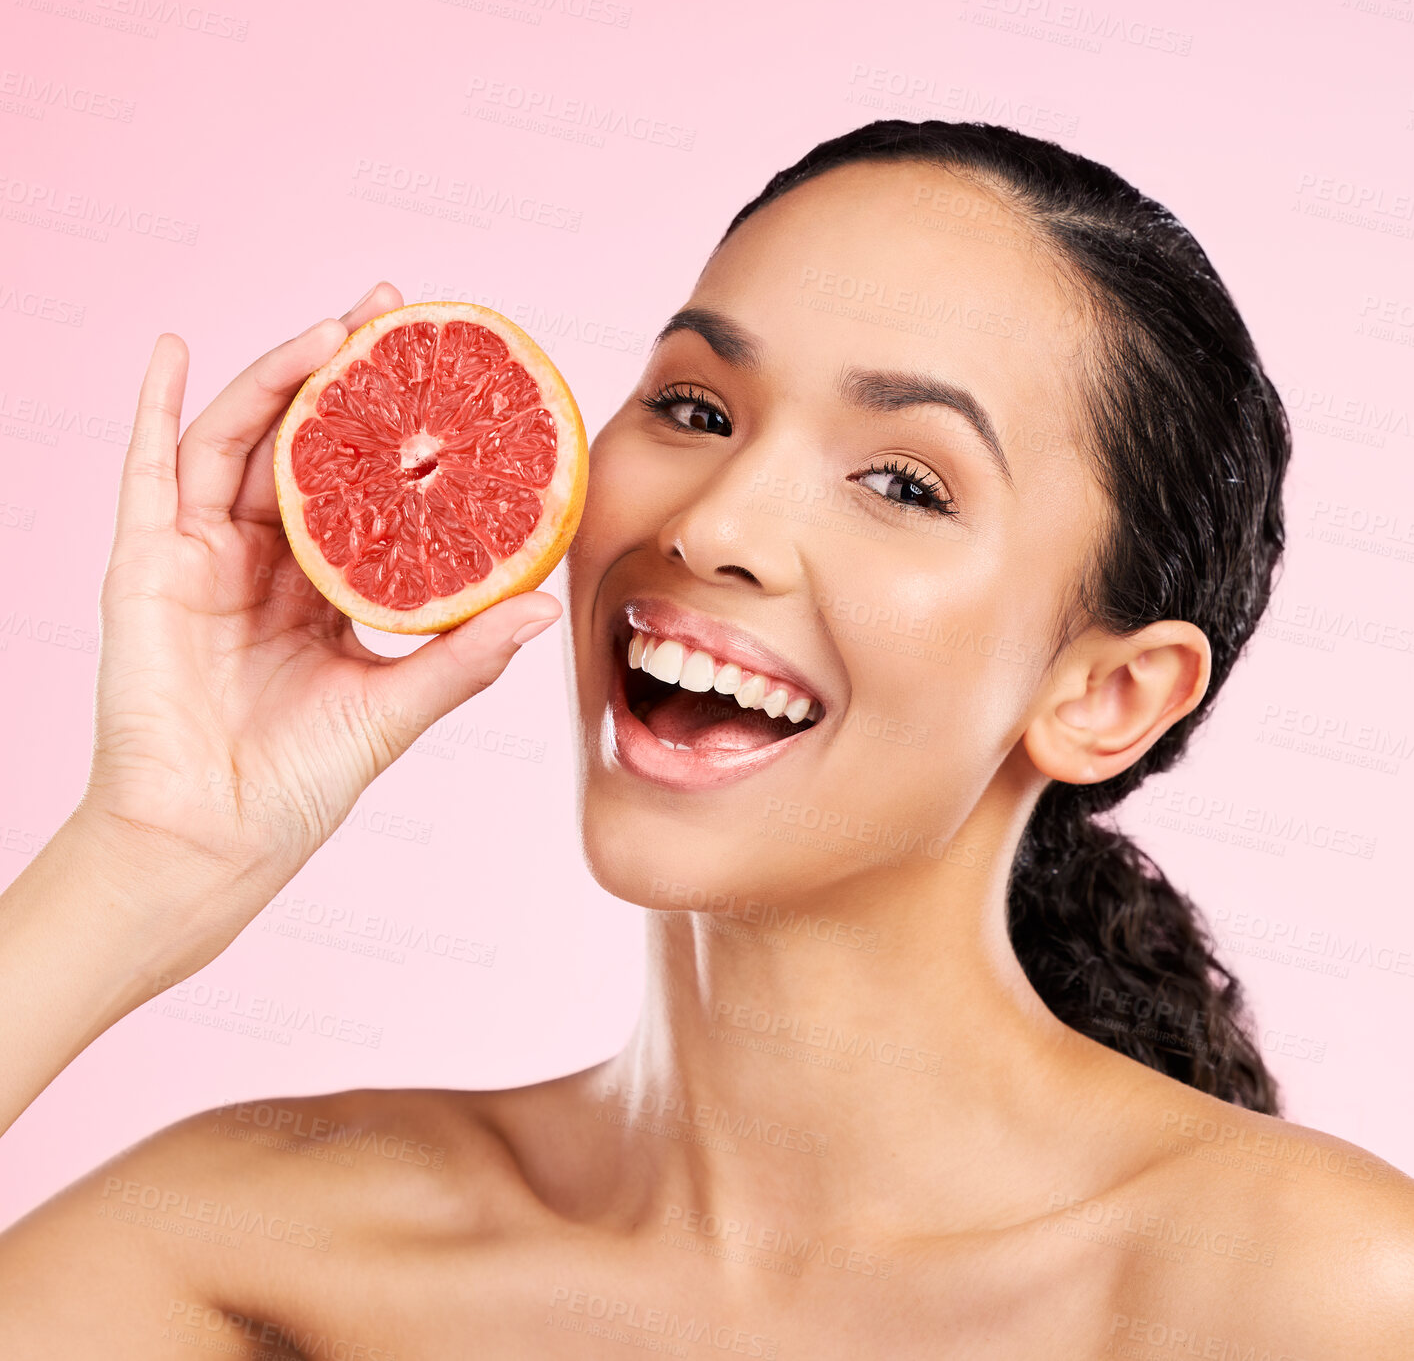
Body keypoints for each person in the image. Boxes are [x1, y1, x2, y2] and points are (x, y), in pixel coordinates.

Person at [1, 120, 1409, 1357]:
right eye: (692, 406)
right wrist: (144, 863)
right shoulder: (272, 1255)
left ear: (1106, 695)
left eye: (904, 482)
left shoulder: (1317, 1296)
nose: (714, 524)